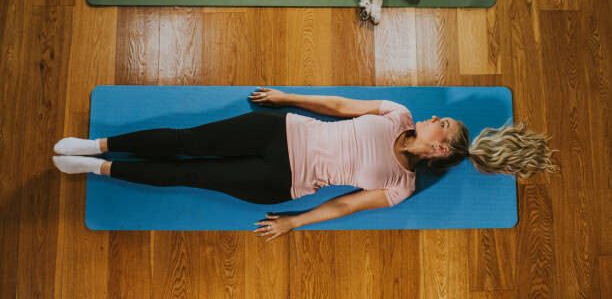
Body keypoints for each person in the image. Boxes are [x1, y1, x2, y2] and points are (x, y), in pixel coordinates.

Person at [52, 88, 558, 242]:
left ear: (441, 149)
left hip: (280, 181)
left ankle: (95, 170)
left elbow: (343, 207)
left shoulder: (400, 185)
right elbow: (340, 107)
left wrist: (295, 221)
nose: (429, 117)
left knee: (190, 172)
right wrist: (284, 95)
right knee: (187, 140)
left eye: (439, 123)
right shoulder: (397, 114)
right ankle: (97, 146)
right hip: (280, 130)